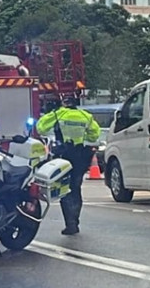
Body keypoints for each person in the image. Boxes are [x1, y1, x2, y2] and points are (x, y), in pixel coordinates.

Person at [35, 95, 100, 235]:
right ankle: (75, 220)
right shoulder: (86, 116)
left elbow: (40, 128)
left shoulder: (59, 114)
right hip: (79, 156)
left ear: (64, 103)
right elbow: (95, 135)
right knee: (76, 189)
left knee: (64, 189)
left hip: (63, 157)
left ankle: (70, 224)